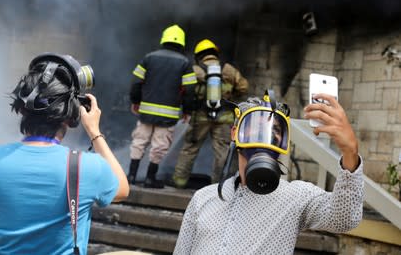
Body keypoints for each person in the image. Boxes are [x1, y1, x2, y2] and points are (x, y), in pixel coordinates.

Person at [0, 53, 129, 255]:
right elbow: (122, 189)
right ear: (71, 115)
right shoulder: (88, 167)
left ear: (22, 111)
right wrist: (94, 131)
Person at [174, 92, 363, 254]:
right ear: (235, 133)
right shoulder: (203, 198)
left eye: (273, 132)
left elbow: (345, 219)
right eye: (254, 129)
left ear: (282, 140)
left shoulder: (296, 197)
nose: (262, 139)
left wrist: (350, 153)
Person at [172, 39, 248, 189]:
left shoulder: (195, 69)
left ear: (199, 55)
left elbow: (184, 89)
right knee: (222, 151)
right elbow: (244, 87)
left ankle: (179, 182)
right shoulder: (228, 69)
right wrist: (230, 94)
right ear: (215, 53)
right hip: (224, 117)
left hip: (200, 116)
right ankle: (217, 186)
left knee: (190, 148)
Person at [128, 24, 197, 188]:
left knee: (139, 142)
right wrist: (187, 110)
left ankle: (130, 176)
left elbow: (136, 82)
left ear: (163, 38)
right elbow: (190, 89)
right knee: (159, 147)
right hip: (168, 115)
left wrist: (135, 101)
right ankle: (149, 179)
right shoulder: (185, 63)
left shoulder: (149, 57)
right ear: (182, 42)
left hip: (145, 112)